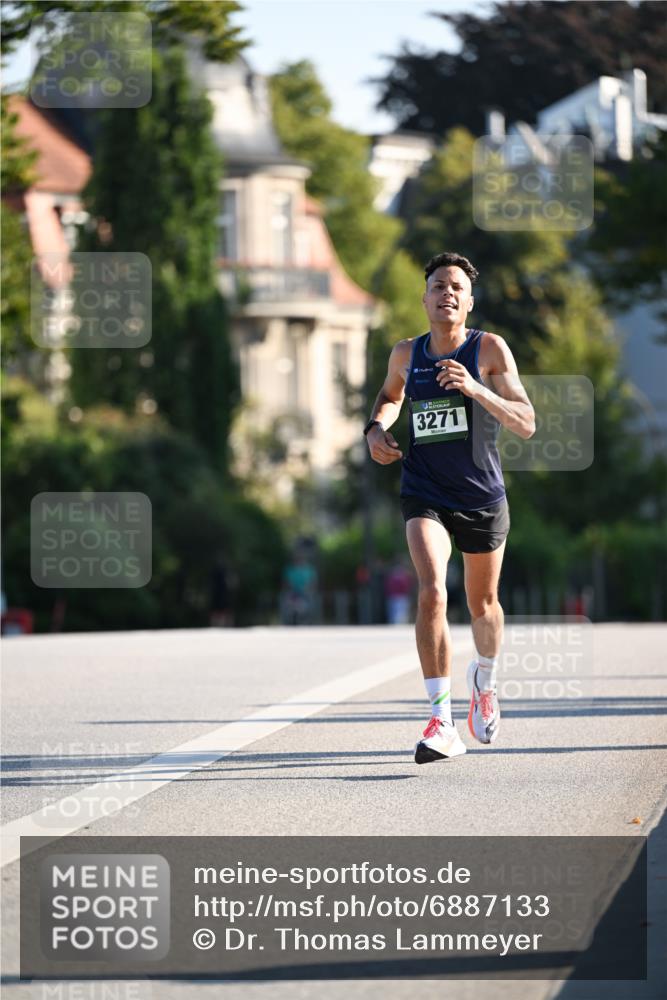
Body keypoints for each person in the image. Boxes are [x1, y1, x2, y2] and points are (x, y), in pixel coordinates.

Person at [363, 252, 535, 764]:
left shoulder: (489, 349)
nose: (448, 294)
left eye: (457, 287)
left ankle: (485, 680)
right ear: (425, 298)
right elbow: (389, 396)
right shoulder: (406, 353)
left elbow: (526, 422)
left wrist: (475, 388)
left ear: (470, 301)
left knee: (484, 606)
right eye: (439, 286)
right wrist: (375, 428)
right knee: (433, 590)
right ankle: (441, 721)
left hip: (482, 496)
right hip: (425, 492)